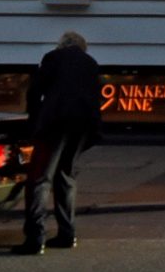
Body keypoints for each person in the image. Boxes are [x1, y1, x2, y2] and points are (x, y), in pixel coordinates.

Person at [13, 31, 102, 256]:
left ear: (62, 44)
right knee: (66, 176)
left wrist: (33, 123)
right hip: (83, 126)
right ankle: (67, 233)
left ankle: (35, 238)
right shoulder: (91, 63)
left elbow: (35, 91)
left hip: (55, 123)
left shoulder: (53, 58)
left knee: (39, 177)